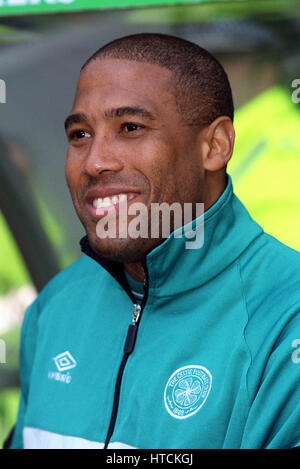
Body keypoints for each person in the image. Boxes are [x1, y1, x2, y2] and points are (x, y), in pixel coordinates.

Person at [6, 33, 300, 449]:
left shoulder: (287, 319)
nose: (95, 162)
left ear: (215, 146)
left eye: (130, 127)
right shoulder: (56, 307)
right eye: (80, 135)